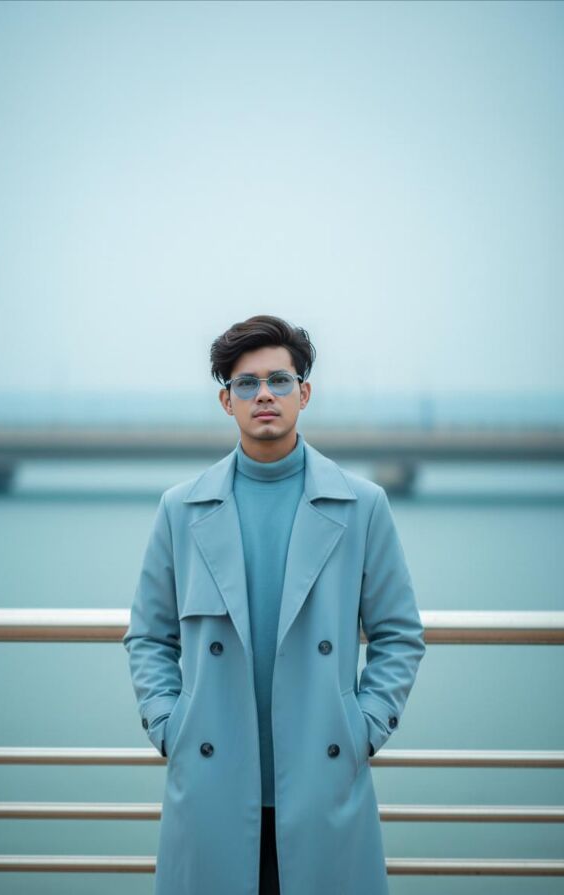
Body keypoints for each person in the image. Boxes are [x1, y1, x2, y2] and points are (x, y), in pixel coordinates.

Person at [123, 314, 426, 895]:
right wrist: (168, 725)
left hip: (324, 774)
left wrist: (363, 728)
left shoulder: (362, 505)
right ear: (227, 401)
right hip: (210, 776)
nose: (264, 395)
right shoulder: (180, 509)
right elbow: (149, 636)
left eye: (279, 381)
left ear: (303, 394)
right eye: (247, 383)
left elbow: (399, 634)